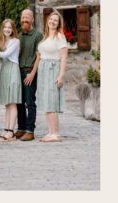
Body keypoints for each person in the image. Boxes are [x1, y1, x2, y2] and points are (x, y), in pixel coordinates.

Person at [36, 10, 69, 142]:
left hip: (53, 69)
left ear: (58, 23)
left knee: (52, 100)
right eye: (51, 19)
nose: (52, 22)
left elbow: (64, 57)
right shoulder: (45, 37)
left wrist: (61, 75)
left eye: (55, 20)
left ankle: (55, 133)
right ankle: (50, 131)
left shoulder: (60, 37)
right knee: (46, 100)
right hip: (44, 70)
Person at [0, 19, 21, 141]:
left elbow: (5, 55)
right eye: (5, 27)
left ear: (13, 30)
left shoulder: (15, 41)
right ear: (2, 28)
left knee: (12, 102)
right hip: (4, 71)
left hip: (12, 70)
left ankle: (11, 131)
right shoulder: (1, 42)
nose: (7, 29)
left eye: (9, 28)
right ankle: (6, 129)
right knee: (7, 103)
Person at [15, 9, 41, 141]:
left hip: (29, 72)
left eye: (27, 17)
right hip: (18, 71)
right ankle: (21, 128)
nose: (25, 20)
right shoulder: (19, 36)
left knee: (30, 102)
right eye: (23, 17)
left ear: (32, 20)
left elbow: (39, 57)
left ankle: (30, 130)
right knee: (19, 101)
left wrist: (32, 74)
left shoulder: (38, 36)